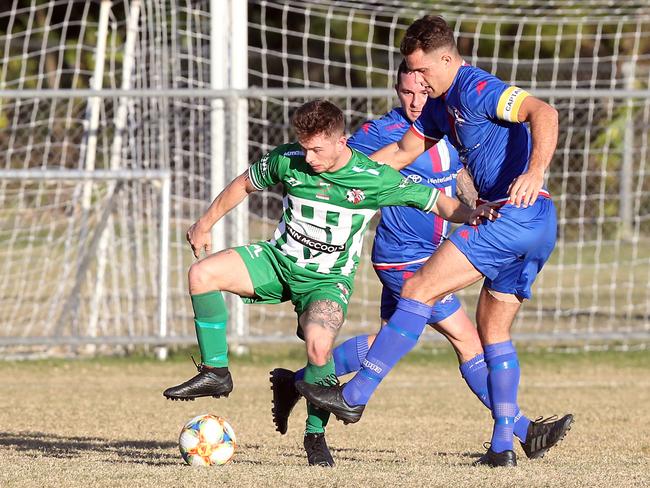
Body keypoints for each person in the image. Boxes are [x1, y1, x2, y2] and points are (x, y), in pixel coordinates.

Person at [296, 16, 574, 468]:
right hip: (532, 221)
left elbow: (545, 112)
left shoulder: (474, 86)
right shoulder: (439, 108)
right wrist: (348, 182)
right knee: (492, 333)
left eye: (423, 73)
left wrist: (536, 169)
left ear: (447, 59)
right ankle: (504, 445)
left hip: (515, 212)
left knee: (419, 291)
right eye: (411, 76)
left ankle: (354, 393)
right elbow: (402, 153)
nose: (418, 84)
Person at [163, 99, 497, 467]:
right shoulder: (288, 159)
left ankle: (315, 436)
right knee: (201, 274)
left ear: (341, 142)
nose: (308, 158)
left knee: (319, 347)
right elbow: (244, 184)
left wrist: (474, 213)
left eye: (317, 149)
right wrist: (205, 223)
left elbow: (435, 201)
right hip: (278, 261)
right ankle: (216, 373)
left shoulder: (373, 178)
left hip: (326, 281)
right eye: (304, 148)